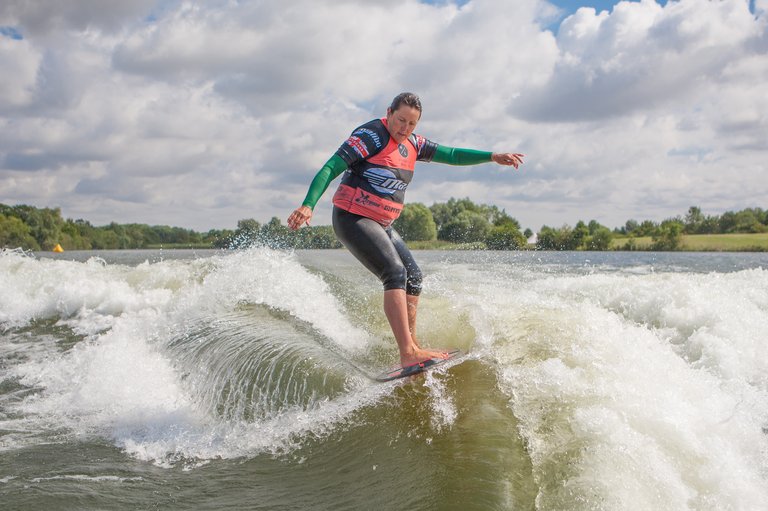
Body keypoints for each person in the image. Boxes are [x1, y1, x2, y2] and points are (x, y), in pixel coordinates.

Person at [288, 92, 524, 368]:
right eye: (401, 121)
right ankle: (407, 353)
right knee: (395, 273)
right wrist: (308, 204)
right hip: (352, 218)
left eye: (412, 124)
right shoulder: (370, 136)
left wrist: (492, 156)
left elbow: (451, 154)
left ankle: (413, 346)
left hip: (382, 223)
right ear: (389, 113)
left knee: (413, 277)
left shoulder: (413, 142)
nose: (405, 129)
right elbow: (330, 167)